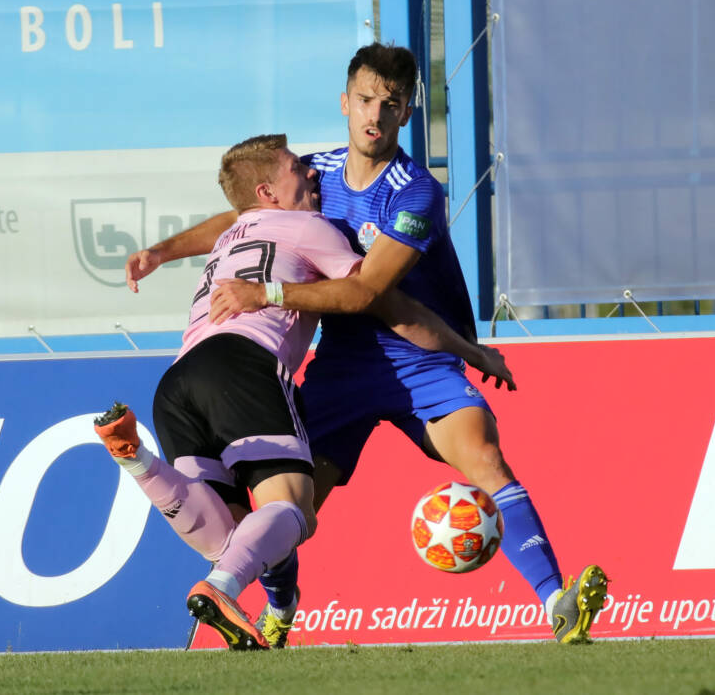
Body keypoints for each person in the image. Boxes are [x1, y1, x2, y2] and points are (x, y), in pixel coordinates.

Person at [124, 43, 608, 645]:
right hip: (343, 367)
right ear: (345, 102)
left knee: (485, 459)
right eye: (365, 100)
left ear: (407, 113)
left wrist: (267, 295)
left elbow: (368, 291)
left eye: (391, 103)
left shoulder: (415, 193)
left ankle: (557, 603)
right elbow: (244, 215)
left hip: (417, 359)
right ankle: (278, 611)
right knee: (292, 511)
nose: (375, 114)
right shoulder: (313, 171)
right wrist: (163, 252)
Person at [99, 133, 512, 650]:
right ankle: (225, 589)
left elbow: (226, 220)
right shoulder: (309, 226)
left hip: (178, 380)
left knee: (229, 533)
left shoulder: (234, 235)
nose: (313, 174)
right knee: (293, 510)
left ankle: (139, 462)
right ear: (270, 192)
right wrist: (470, 351)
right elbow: (377, 300)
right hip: (243, 364)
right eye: (298, 168)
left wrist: (159, 253)